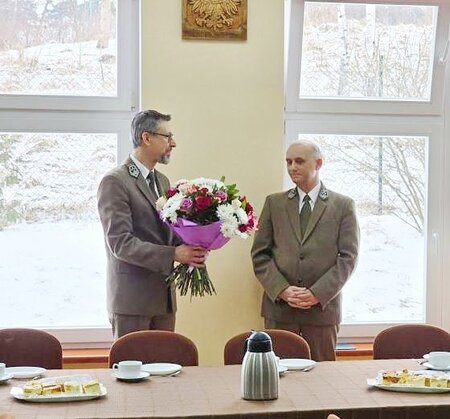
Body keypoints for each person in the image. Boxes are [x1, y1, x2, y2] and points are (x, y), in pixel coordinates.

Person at [97, 109, 208, 339]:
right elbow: (121, 244)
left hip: (164, 299)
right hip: (132, 302)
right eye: (167, 136)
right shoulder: (115, 181)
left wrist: (199, 240)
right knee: (132, 362)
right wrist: (174, 254)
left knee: (166, 361)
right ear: (146, 138)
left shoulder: (162, 181)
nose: (173, 143)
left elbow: (167, 231)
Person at [251, 139, 359, 361]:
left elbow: (348, 258)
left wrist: (317, 293)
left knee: (321, 375)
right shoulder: (274, 203)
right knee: (279, 373)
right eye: (288, 162)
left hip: (322, 311)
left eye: (299, 161)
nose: (292, 167)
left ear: (318, 164)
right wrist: (282, 289)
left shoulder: (343, 205)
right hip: (280, 310)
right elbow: (260, 254)